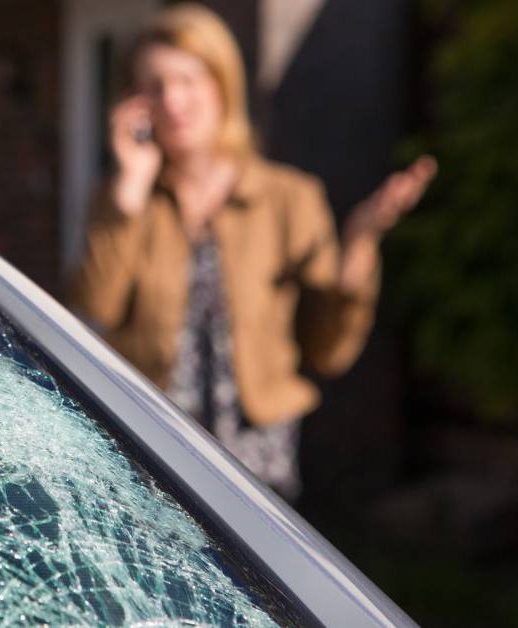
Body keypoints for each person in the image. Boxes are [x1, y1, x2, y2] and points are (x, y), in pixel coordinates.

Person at [68, 3, 436, 499]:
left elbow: (329, 349)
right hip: (148, 454)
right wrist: (127, 197)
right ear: (135, 103)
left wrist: (361, 243)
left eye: (188, 80)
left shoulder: (290, 198)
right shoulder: (123, 201)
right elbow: (92, 314)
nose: (173, 100)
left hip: (259, 464)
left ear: (222, 84)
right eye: (154, 85)